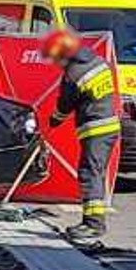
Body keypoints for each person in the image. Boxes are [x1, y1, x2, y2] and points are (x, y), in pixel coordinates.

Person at [42, 29, 121, 244]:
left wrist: (55, 120)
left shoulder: (74, 74)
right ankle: (94, 220)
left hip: (95, 129)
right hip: (110, 125)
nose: (56, 64)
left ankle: (93, 224)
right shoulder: (98, 61)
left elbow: (65, 105)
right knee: (97, 173)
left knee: (89, 174)